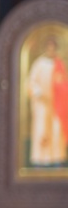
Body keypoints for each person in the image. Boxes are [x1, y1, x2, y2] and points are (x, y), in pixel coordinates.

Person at [28, 36, 68, 167]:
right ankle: (40, 159)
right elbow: (31, 82)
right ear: (45, 48)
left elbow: (63, 82)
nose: (51, 50)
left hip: (57, 103)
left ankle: (57, 158)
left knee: (56, 130)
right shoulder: (39, 64)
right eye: (49, 47)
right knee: (42, 129)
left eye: (53, 47)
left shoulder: (59, 64)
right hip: (42, 104)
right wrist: (39, 93)